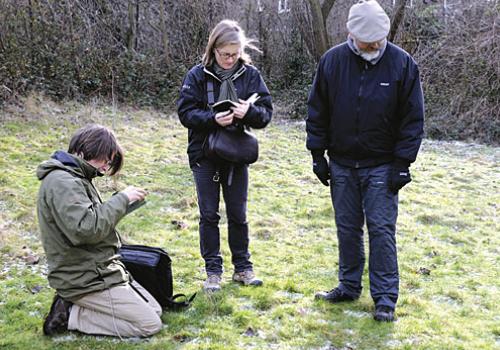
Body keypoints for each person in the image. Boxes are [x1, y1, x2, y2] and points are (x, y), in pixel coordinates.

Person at [306, 0, 424, 322]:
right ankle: (348, 286)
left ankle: (385, 298)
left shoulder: (402, 64)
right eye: (366, 40)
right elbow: (317, 111)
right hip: (342, 164)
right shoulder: (332, 62)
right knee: (347, 228)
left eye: (378, 39)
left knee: (382, 231)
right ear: (350, 33)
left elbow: (412, 120)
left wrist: (403, 164)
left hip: (382, 165)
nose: (373, 45)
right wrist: (318, 155)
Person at [37, 124, 162, 337]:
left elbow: (90, 220)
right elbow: (86, 230)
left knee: (156, 310)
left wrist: (120, 204)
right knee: (149, 325)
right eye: (106, 159)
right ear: (85, 150)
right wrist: (122, 200)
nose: (106, 166)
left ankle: (76, 305)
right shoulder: (63, 182)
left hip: (100, 270)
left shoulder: (76, 177)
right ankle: (70, 314)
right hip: (82, 278)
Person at [177, 19, 272, 292]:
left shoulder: (251, 75)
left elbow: (266, 113)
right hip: (204, 154)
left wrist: (249, 113)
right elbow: (185, 113)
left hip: (236, 154)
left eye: (235, 54)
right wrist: (212, 119)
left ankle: (242, 268)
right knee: (209, 214)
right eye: (225, 54)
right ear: (213, 49)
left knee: (238, 214)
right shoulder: (196, 75)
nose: (230, 59)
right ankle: (213, 273)